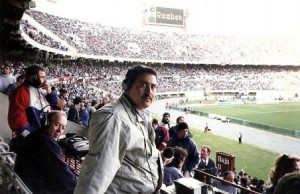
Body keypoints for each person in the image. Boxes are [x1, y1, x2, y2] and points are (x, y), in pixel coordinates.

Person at [74, 65, 163, 194]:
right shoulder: (113, 118)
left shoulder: (142, 112)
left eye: (153, 87)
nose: (149, 92)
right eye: (143, 85)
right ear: (126, 86)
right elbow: (97, 172)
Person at [14, 111, 77, 194]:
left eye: (63, 128)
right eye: (57, 125)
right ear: (47, 123)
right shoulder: (46, 142)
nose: (59, 131)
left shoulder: (39, 133)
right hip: (30, 187)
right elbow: (62, 174)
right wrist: (78, 183)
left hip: (24, 179)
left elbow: (59, 166)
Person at [7, 65, 58, 152]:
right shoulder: (21, 92)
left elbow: (54, 104)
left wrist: (50, 92)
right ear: (32, 77)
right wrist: (35, 136)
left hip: (41, 138)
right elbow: (17, 121)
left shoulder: (40, 89)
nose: (44, 80)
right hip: (29, 142)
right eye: (42, 77)